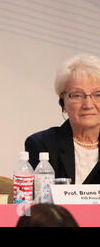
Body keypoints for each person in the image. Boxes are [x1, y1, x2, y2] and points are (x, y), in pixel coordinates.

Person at [25, 54, 100, 184]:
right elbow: (40, 201)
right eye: (77, 95)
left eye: (98, 94)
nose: (88, 105)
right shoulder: (42, 145)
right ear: (63, 102)